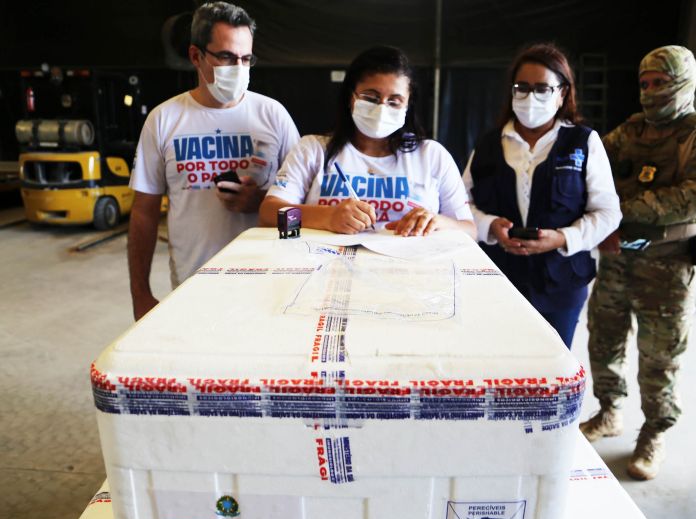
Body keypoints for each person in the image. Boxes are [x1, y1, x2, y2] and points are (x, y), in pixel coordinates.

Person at [580, 46, 696, 480]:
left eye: (659, 83)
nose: (649, 92)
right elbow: (593, 168)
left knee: (659, 357)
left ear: (683, 82)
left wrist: (618, 208)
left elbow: (691, 196)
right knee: (603, 342)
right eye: (644, 84)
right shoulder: (630, 131)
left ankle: (654, 433)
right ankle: (609, 411)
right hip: (618, 260)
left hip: (668, 269)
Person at [128, 2, 299, 320]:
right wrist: (140, 294)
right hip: (192, 291)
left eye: (246, 59)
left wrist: (261, 202)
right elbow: (143, 212)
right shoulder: (164, 120)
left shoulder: (272, 116)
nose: (238, 68)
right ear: (196, 56)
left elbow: (305, 207)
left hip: (268, 289)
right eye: (226, 57)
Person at [462, 43, 621, 348]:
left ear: (562, 93)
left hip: (561, 283)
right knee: (501, 369)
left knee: (552, 373)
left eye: (542, 89)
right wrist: (490, 225)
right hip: (498, 281)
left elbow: (608, 212)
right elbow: (460, 205)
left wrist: (563, 238)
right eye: (522, 88)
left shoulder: (583, 142)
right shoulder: (489, 144)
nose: (530, 97)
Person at [258, 46, 476, 239]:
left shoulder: (431, 155)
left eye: (394, 101)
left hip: (409, 276)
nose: (382, 108)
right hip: (325, 272)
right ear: (350, 97)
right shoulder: (313, 149)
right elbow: (269, 215)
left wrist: (439, 222)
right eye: (370, 98)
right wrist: (327, 217)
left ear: (408, 106)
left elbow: (470, 231)